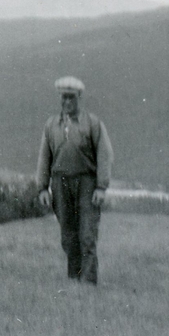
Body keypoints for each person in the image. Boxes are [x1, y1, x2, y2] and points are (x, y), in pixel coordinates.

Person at [36, 76, 113, 284]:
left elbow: (104, 155)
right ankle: (73, 279)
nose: (66, 102)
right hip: (60, 184)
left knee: (87, 233)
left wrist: (101, 186)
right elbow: (44, 157)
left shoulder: (93, 123)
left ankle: (88, 283)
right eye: (63, 98)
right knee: (68, 235)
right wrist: (42, 188)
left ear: (80, 97)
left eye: (70, 98)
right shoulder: (52, 124)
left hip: (86, 184)